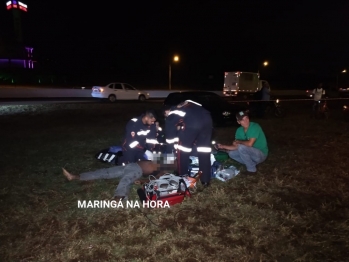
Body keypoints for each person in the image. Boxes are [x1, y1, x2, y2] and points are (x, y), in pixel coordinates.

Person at [62, 155, 177, 201]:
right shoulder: (162, 157)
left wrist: (142, 181)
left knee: (125, 180)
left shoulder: (164, 169)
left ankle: (119, 197)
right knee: (105, 172)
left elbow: (155, 179)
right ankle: (75, 177)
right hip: (131, 165)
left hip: (137, 171)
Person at [164, 100, 213, 187]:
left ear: (166, 111)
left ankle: (182, 177)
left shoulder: (172, 112)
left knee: (183, 150)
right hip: (208, 120)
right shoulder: (187, 106)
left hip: (193, 122)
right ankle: (205, 180)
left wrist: (170, 149)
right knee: (204, 151)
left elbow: (170, 134)